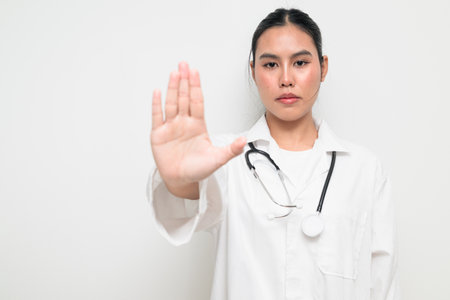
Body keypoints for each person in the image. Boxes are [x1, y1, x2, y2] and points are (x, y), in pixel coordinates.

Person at [147, 7, 400, 300]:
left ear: (324, 67)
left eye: (301, 62)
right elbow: (184, 205)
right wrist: (179, 180)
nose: (286, 79)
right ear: (253, 71)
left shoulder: (365, 170)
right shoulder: (224, 160)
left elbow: (384, 284)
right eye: (270, 65)